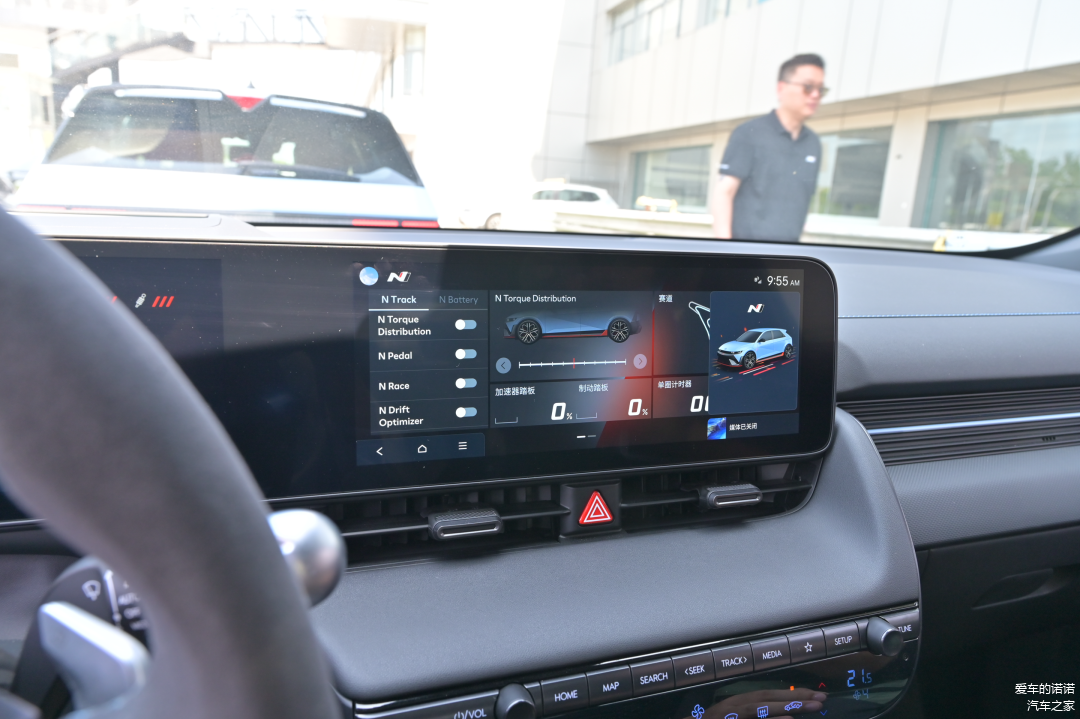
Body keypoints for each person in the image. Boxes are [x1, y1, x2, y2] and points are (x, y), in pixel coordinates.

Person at [711, 53, 827, 242]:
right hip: (746, 253)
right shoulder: (749, 133)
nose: (815, 95)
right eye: (808, 87)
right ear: (781, 88)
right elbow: (724, 193)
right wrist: (726, 250)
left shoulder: (813, 143)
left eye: (820, 89)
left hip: (788, 255)